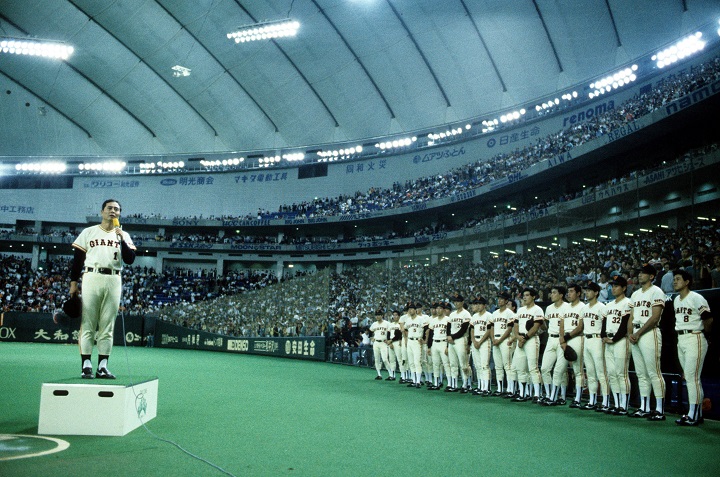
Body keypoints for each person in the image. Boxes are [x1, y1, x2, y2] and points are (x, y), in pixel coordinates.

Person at [70, 199, 136, 379]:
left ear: (120, 213)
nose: (113, 211)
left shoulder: (123, 235)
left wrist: (121, 237)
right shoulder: (89, 232)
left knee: (108, 325)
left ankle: (103, 366)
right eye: (109, 208)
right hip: (92, 275)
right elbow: (77, 260)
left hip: (114, 278)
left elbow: (130, 259)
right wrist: (73, 283)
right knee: (88, 323)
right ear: (102, 212)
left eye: (116, 209)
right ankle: (86, 365)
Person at [673, 269, 713, 426]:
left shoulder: (696, 297)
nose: (675, 281)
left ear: (687, 281)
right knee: (691, 378)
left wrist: (706, 336)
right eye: (674, 279)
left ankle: (693, 414)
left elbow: (708, 319)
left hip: (695, 336)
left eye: (678, 279)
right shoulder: (676, 299)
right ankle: (697, 414)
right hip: (681, 338)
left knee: (691, 378)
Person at [628, 264, 667, 420]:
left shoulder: (657, 291)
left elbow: (655, 317)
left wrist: (637, 333)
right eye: (639, 272)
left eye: (644, 273)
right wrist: (630, 333)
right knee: (641, 374)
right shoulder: (635, 294)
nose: (640, 275)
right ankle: (644, 407)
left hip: (650, 332)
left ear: (651, 276)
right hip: (636, 333)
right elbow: (631, 317)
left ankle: (659, 409)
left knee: (654, 372)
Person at [602, 276, 632, 415]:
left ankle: (624, 405)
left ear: (624, 288)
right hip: (609, 340)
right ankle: (617, 403)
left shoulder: (628, 303)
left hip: (621, 341)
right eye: (612, 286)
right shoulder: (608, 305)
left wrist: (613, 339)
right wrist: (604, 337)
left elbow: (625, 324)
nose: (613, 288)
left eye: (616, 286)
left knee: (621, 373)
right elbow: (603, 324)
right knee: (612, 374)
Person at [577, 283, 609, 412]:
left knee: (601, 372)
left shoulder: (602, 307)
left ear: (596, 293)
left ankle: (606, 401)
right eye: (586, 290)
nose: (587, 292)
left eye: (590, 290)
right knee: (590, 372)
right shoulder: (584, 308)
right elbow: (581, 326)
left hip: (597, 339)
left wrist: (603, 340)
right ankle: (592, 400)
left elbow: (605, 326)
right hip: (587, 338)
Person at [512, 288, 544, 402]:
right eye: (523, 296)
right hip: (521, 339)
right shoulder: (520, 310)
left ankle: (537, 394)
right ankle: (522, 393)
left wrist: (524, 338)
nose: (524, 297)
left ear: (533, 296)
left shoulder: (537, 310)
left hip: (530, 340)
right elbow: (515, 325)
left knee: (533, 368)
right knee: (520, 368)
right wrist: (517, 337)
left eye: (527, 295)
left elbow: (536, 327)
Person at [540, 286, 570, 405]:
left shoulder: (567, 307)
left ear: (561, 295)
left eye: (554, 293)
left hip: (563, 339)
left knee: (560, 370)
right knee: (544, 368)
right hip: (551, 338)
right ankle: (549, 395)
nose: (551, 295)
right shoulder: (549, 308)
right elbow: (546, 325)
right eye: (551, 292)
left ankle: (560, 396)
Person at [560, 284, 585, 408]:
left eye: (571, 291)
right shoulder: (566, 307)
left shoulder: (583, 307)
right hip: (566, 339)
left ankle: (578, 398)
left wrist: (565, 338)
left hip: (577, 338)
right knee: (562, 369)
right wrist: (562, 340)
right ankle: (562, 395)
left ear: (578, 293)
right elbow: (562, 325)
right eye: (568, 292)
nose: (568, 294)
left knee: (578, 370)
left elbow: (580, 327)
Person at [492, 292, 517, 397]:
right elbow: (492, 327)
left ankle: (511, 390)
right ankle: (499, 388)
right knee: (498, 366)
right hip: (496, 339)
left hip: (505, 340)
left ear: (506, 301)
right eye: (498, 298)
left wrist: (500, 339)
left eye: (502, 299)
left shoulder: (509, 313)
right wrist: (493, 339)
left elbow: (510, 328)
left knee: (508, 366)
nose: (499, 300)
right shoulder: (495, 313)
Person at [446, 294, 472, 393]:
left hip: (461, 339)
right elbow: (448, 327)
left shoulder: (466, 314)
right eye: (455, 301)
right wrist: (449, 336)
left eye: (458, 301)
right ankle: (454, 384)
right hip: (452, 340)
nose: (456, 303)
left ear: (462, 302)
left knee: (463, 363)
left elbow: (464, 329)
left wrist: (452, 337)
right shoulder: (452, 314)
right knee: (453, 363)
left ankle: (466, 384)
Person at [469, 297, 493, 396]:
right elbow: (471, 330)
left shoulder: (488, 315)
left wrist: (480, 341)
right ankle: (480, 386)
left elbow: (489, 330)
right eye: (477, 304)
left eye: (480, 304)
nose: (478, 305)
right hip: (475, 341)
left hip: (484, 341)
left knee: (484, 365)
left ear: (484, 305)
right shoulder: (474, 316)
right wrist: (474, 341)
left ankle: (486, 388)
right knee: (477, 366)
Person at [369, 309, 392, 380]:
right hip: (376, 342)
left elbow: (390, 332)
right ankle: (379, 374)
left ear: (382, 315)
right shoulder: (374, 324)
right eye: (376, 315)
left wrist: (389, 340)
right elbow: (370, 331)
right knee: (377, 359)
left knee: (385, 359)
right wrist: (371, 337)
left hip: (383, 343)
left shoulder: (387, 323)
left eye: (379, 315)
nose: (377, 316)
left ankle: (391, 374)